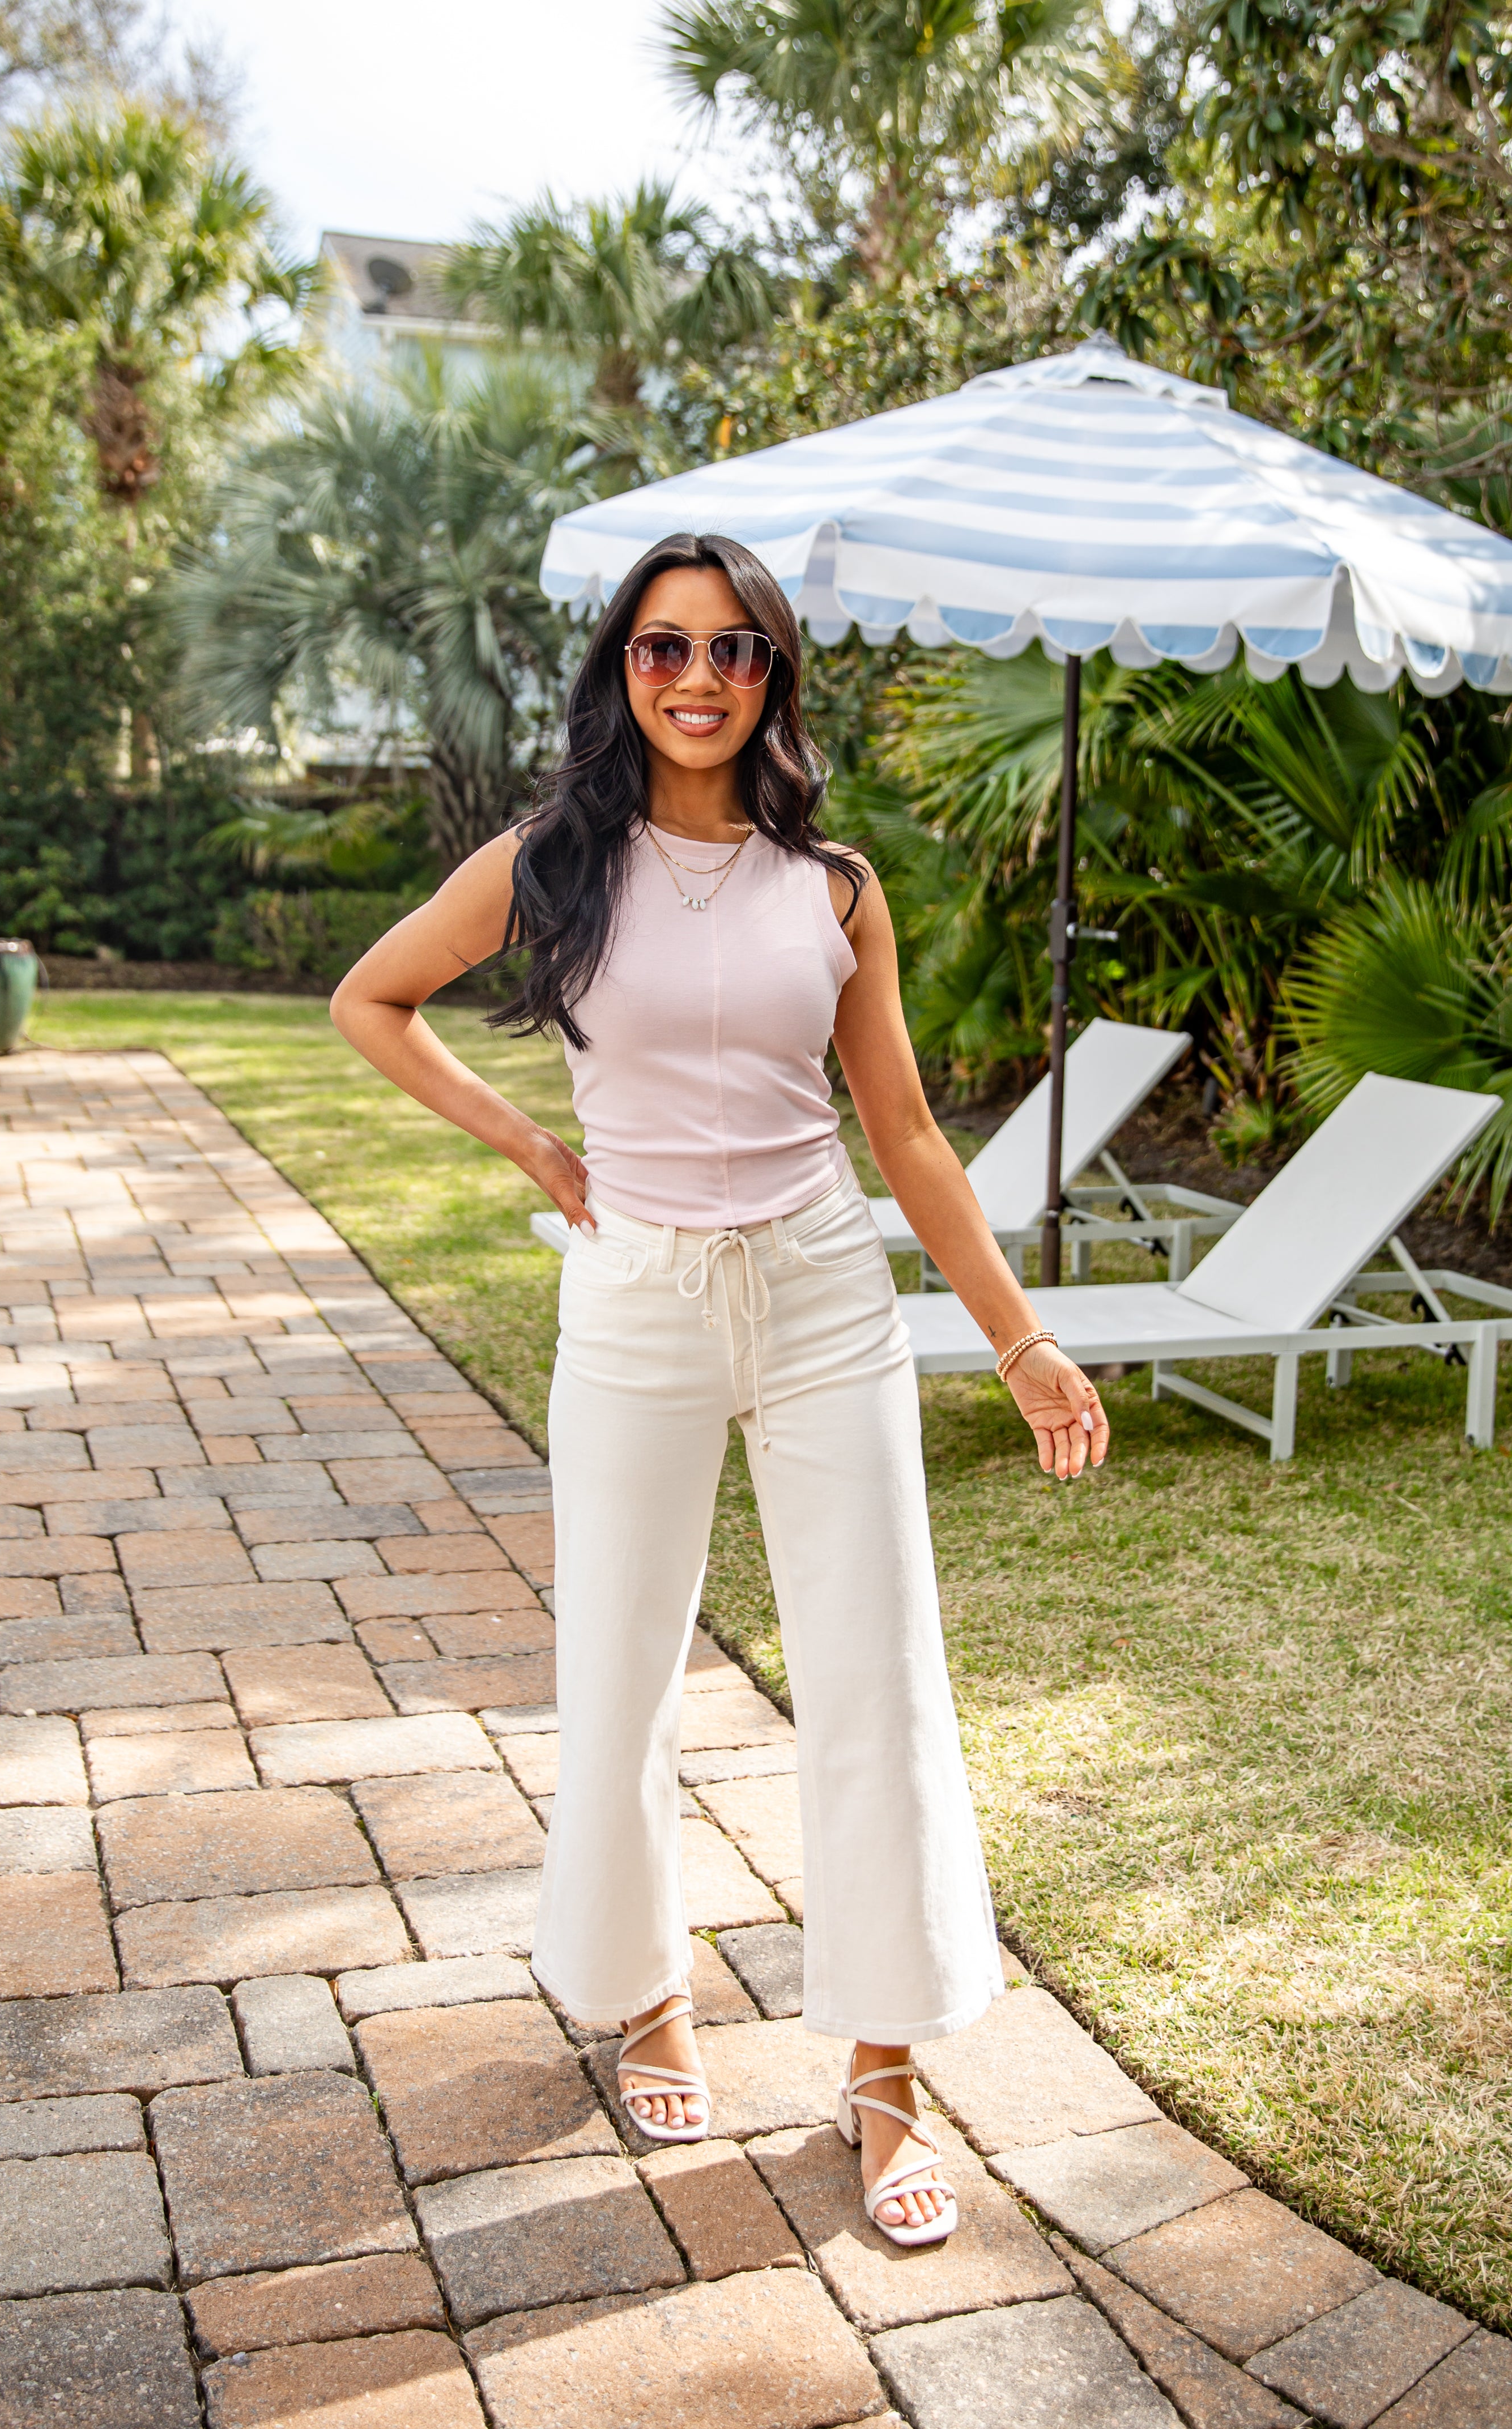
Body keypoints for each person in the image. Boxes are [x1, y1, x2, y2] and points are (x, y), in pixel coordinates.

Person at [330, 530, 1109, 2247]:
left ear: (773, 677)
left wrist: (1021, 1338)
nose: (697, 679)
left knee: (875, 1678)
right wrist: (533, 1146)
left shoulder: (832, 886)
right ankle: (648, 1993)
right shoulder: (551, 864)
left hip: (822, 1294)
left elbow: (907, 1134)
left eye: (732, 650)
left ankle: (885, 2070)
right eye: (663, 647)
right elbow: (372, 1000)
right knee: (619, 1671)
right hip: (635, 1305)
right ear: (623, 669)